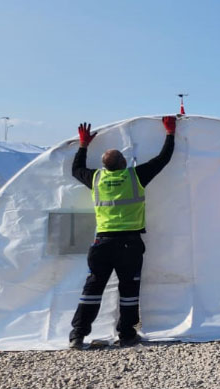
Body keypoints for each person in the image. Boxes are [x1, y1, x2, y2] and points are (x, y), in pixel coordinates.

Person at [68, 117, 177, 349]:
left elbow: (76, 169)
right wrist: (170, 132)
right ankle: (126, 335)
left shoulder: (97, 178)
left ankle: (77, 335)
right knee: (128, 290)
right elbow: (163, 159)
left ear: (105, 165)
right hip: (129, 243)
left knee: (93, 288)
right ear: (123, 162)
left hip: (102, 242)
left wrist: (83, 145)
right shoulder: (134, 177)